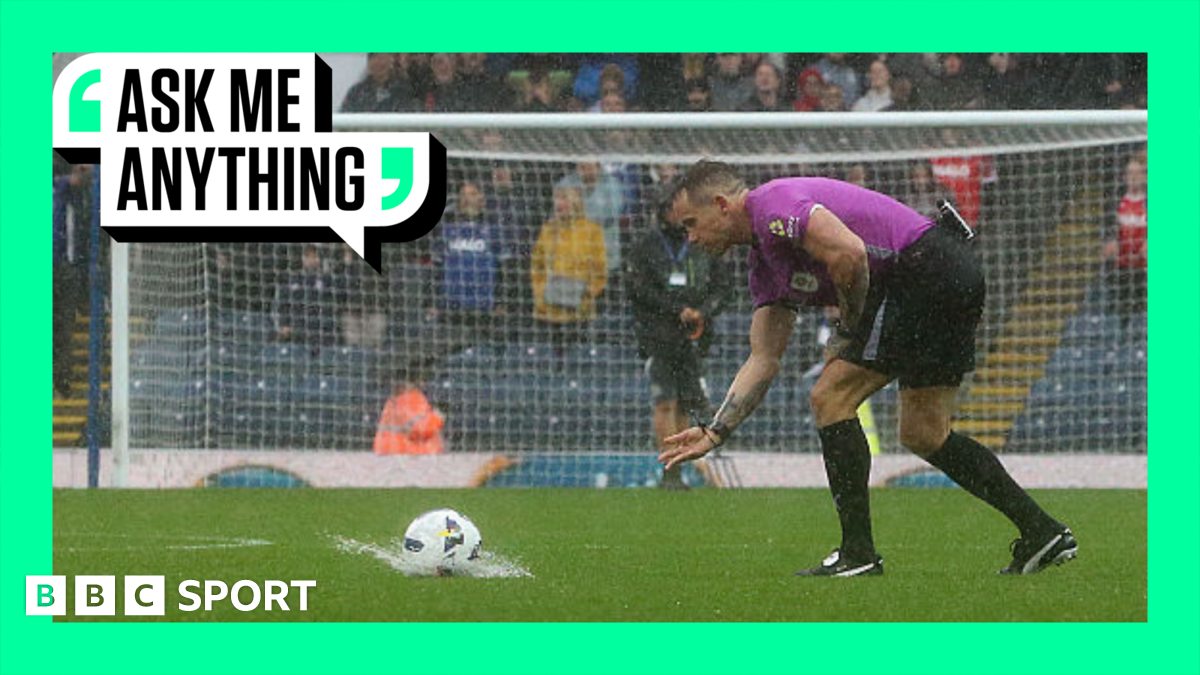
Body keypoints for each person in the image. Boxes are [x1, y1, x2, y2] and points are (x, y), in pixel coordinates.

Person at [659, 161, 1076, 576]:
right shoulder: (766, 266)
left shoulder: (774, 206)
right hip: (948, 273)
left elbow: (851, 253)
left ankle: (858, 553)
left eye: (693, 224)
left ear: (721, 205)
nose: (692, 238)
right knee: (923, 433)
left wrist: (849, 327)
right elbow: (764, 357)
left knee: (830, 398)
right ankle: (1042, 531)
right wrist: (716, 431)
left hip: (922, 271)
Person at [628, 183, 734, 490]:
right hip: (658, 334)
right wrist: (676, 309)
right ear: (664, 210)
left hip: (695, 336)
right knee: (665, 400)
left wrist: (703, 311)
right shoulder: (646, 246)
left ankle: (679, 470)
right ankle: (669, 472)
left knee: (686, 403)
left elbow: (724, 287)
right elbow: (637, 289)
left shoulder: (704, 243)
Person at [530, 186, 608, 359]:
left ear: (576, 203)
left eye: (564, 199)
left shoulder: (592, 231)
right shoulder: (548, 229)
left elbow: (600, 269)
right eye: (557, 199)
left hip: (579, 308)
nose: (559, 203)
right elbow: (537, 265)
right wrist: (540, 290)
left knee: (578, 359)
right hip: (549, 308)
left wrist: (588, 292)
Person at [1101, 156, 1147, 322]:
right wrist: (1109, 241)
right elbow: (1107, 231)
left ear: (1145, 177)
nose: (1133, 176)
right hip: (1121, 271)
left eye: (1138, 173)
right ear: (1124, 177)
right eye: (1130, 173)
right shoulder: (1115, 203)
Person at [373, 377, 445, 455]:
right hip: (407, 453)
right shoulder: (411, 399)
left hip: (385, 450)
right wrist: (438, 418)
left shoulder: (392, 402)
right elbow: (419, 430)